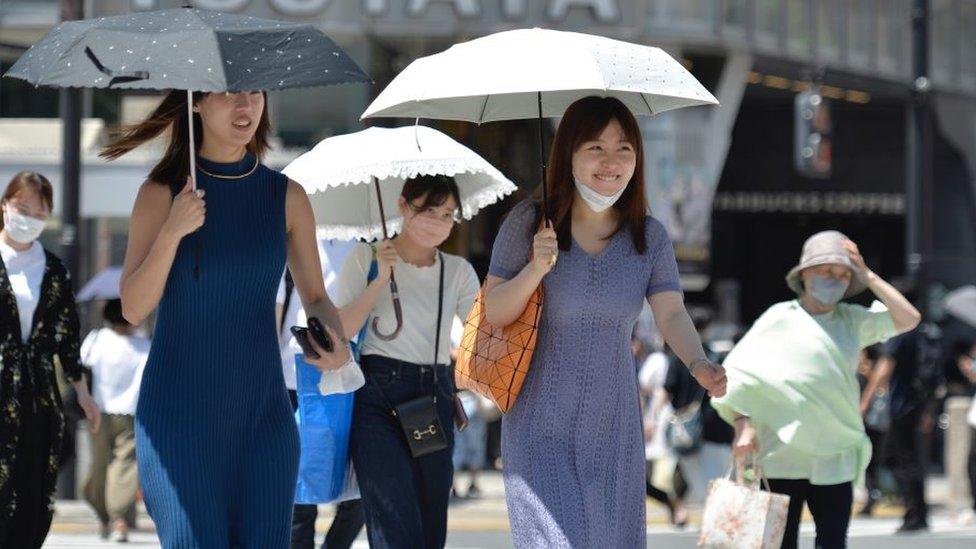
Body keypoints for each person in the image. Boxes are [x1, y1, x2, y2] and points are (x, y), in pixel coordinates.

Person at [102, 90, 351, 547]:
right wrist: (174, 231)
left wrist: (334, 343)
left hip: (263, 418)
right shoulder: (161, 193)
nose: (246, 107)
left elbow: (315, 296)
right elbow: (134, 307)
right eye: (229, 94)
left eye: (254, 94)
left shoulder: (286, 195)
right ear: (196, 102)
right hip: (178, 418)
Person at [483, 96, 727, 548]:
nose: (611, 162)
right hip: (538, 425)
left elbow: (670, 312)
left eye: (624, 149)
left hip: (613, 429)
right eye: (595, 147)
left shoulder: (648, 237)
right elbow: (494, 310)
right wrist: (535, 268)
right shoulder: (528, 224)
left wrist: (698, 363)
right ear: (568, 153)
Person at [711, 230, 920, 548]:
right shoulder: (777, 318)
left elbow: (909, 318)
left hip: (835, 455)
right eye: (825, 271)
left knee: (833, 542)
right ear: (805, 274)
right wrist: (743, 424)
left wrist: (867, 275)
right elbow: (737, 376)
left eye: (841, 274)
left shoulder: (852, 320)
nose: (834, 279)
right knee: (781, 543)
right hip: (781, 455)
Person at [333, 175, 479, 549]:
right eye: (428, 210)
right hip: (376, 394)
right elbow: (341, 331)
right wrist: (380, 280)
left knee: (431, 524)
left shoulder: (457, 270)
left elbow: (480, 336)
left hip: (433, 394)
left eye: (448, 213)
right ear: (402, 206)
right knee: (391, 518)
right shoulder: (366, 257)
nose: (439, 221)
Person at [0, 171, 101, 548]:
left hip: (38, 395)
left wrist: (84, 394)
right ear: (5, 206)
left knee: (32, 488)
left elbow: (67, 336)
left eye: (38, 212)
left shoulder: (54, 270)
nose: (27, 218)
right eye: (21, 207)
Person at [276, 238, 365, 549]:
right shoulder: (294, 244)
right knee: (298, 487)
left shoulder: (370, 248)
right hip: (290, 378)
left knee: (360, 480)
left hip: (350, 378)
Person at [81, 298, 149, 542]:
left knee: (100, 465)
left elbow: (80, 367)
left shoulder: (96, 340)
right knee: (124, 465)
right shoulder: (144, 345)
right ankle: (118, 518)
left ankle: (104, 516)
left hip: (97, 411)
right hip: (130, 412)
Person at [872, 320, 943, 532]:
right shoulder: (921, 334)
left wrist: (866, 401)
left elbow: (885, 367)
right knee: (901, 459)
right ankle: (917, 511)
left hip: (899, 406)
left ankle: (915, 513)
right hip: (915, 404)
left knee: (901, 460)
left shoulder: (899, 333)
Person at [637, 336, 688, 527]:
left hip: (658, 419)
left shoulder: (658, 360)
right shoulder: (685, 361)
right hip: (677, 421)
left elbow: (645, 386)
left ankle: (674, 504)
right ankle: (676, 505)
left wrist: (650, 419)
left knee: (647, 473)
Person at [856, 344, 888, 517]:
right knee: (869, 462)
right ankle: (873, 493)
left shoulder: (876, 365)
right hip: (867, 419)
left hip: (870, 420)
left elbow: (879, 387)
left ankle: (874, 493)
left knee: (870, 461)